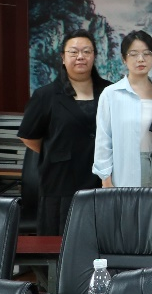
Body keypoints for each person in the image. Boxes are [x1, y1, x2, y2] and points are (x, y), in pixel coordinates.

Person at [19, 29, 109, 235]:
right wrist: (56, 149)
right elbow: (29, 136)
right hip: (60, 180)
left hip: (101, 179)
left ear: (94, 55)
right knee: (59, 240)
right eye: (74, 52)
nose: (80, 56)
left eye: (87, 51)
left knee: (98, 237)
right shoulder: (46, 95)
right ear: (62, 57)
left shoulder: (109, 91)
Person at [94, 30, 152, 189]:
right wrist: (106, 178)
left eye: (147, 53)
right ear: (124, 58)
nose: (141, 59)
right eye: (133, 54)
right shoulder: (111, 94)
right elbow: (103, 139)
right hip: (125, 167)